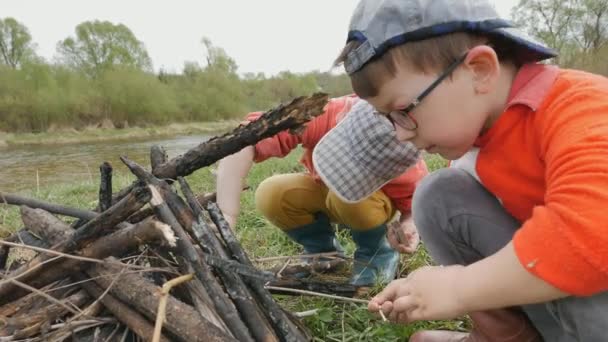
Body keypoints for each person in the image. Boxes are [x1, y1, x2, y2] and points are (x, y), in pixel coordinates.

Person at [313, 0, 608, 340]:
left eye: (402, 110)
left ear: (480, 70)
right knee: (438, 195)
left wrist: (456, 288)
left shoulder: (581, 108)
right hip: (564, 301)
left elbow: (589, 242)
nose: (400, 133)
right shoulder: (478, 135)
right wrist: (425, 288)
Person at [216, 95, 427, 286]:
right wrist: (226, 215)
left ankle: (376, 254)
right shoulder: (328, 115)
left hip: (368, 205)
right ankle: (324, 253)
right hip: (322, 191)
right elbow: (246, 138)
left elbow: (415, 208)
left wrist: (409, 227)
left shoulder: (406, 160)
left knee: (348, 199)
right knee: (272, 193)